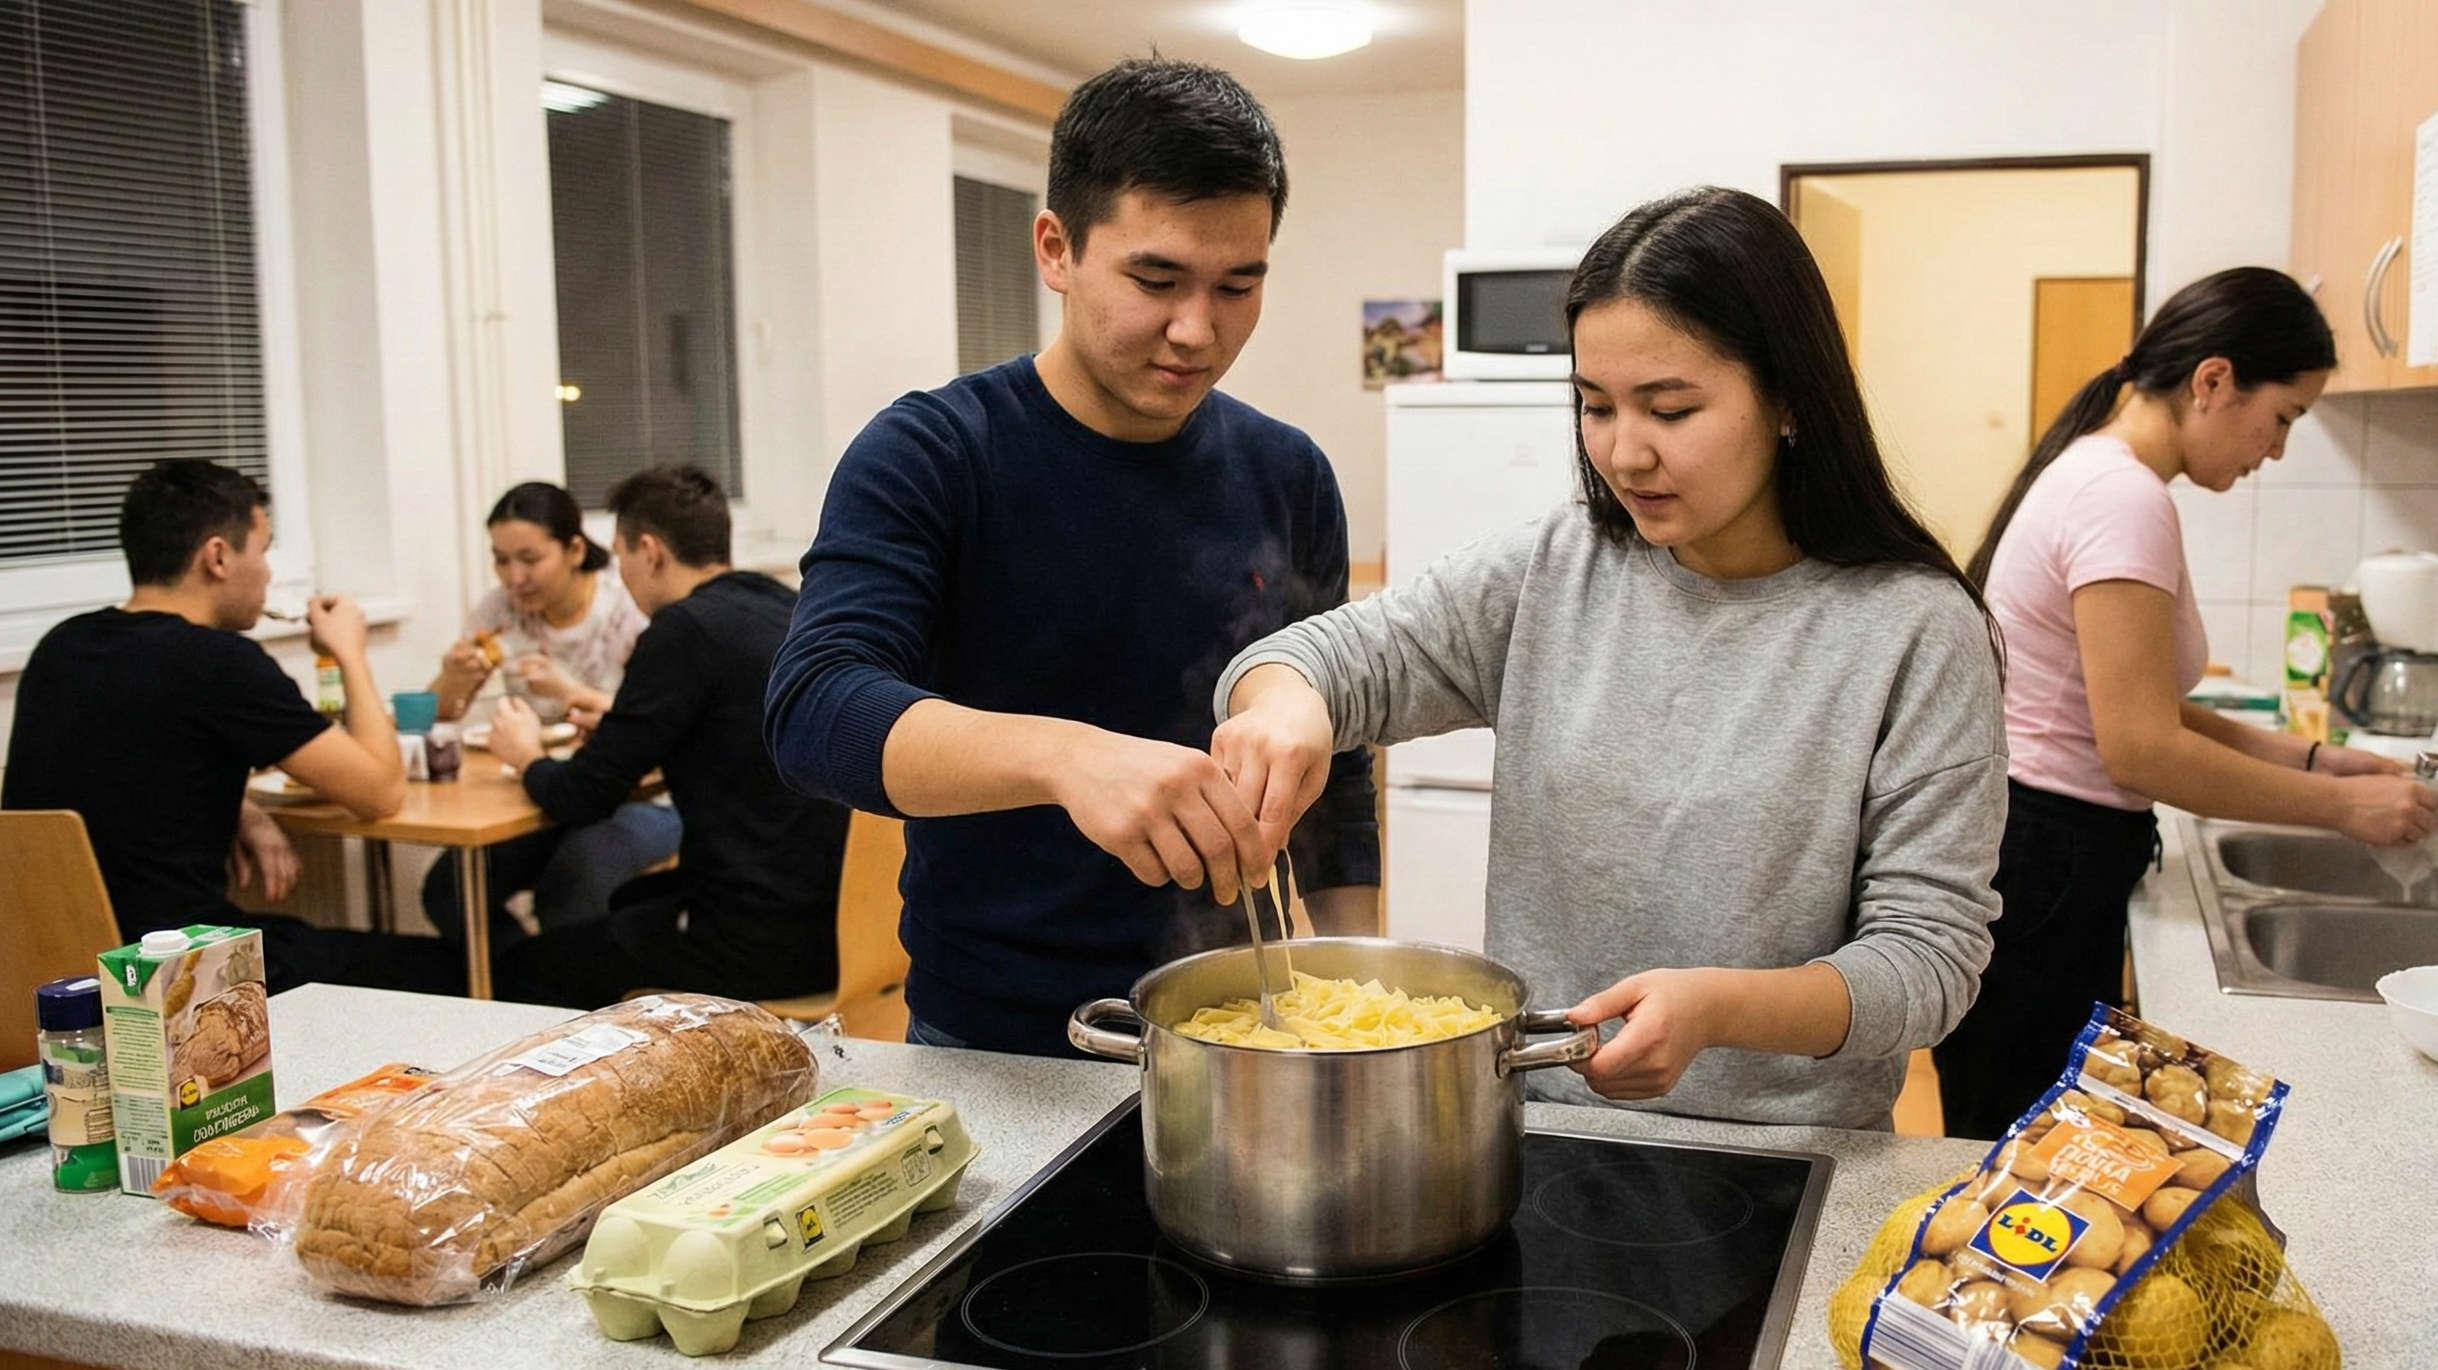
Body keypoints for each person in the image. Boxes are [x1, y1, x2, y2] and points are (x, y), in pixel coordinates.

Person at [1208, 186, 2005, 1130]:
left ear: (1789, 400)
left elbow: (1929, 962)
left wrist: (1717, 1012)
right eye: (1595, 406)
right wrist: (1287, 707)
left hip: (1789, 1160)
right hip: (1532, 1131)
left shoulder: (1913, 630)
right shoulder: (1560, 566)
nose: (1624, 454)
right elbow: (1327, 657)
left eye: (1670, 409)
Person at [765, 57, 1378, 1057]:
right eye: (1155, 279)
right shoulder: (935, 452)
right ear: (1055, 247)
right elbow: (814, 709)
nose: (1198, 330)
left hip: (1238, 1030)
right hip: (994, 1039)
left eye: (1238, 285)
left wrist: (1362, 1003)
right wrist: (1067, 758)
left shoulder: (1287, 471)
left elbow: (1338, 763)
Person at [1929, 267, 2438, 1139]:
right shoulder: (2121, 496)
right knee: (2007, 1164)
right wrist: (2348, 807)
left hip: (2038, 854)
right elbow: (2142, 750)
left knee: (2018, 1149)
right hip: (2047, 864)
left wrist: (2314, 759)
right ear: (2213, 381)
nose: (2276, 450)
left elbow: (2133, 706)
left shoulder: (2103, 475)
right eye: (2282, 417)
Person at [3, 461, 461, 994]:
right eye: (263, 551)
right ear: (218, 557)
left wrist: (242, 808)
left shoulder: (62, 648)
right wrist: (349, 652)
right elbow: (381, 793)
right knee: (457, 966)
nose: (267, 573)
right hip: (182, 976)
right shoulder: (219, 663)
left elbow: (131, 771)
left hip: (59, 975)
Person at [491, 467, 847, 1009]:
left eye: (621, 553)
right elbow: (726, 723)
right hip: (838, 926)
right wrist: (619, 714)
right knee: (630, 898)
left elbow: (582, 796)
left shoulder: (682, 631)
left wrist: (525, 756)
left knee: (522, 968)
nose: (621, 573)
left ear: (651, 551)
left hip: (751, 943)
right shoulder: (785, 607)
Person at [419, 481, 679, 947]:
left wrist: (570, 691)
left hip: (642, 796)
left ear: (575, 549)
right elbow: (435, 719)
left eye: (530, 559)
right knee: (451, 889)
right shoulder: (500, 612)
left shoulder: (624, 609)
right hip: (543, 791)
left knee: (572, 883)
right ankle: (519, 982)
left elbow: (664, 725)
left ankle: (569, 998)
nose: (514, 577)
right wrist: (453, 676)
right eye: (501, 559)